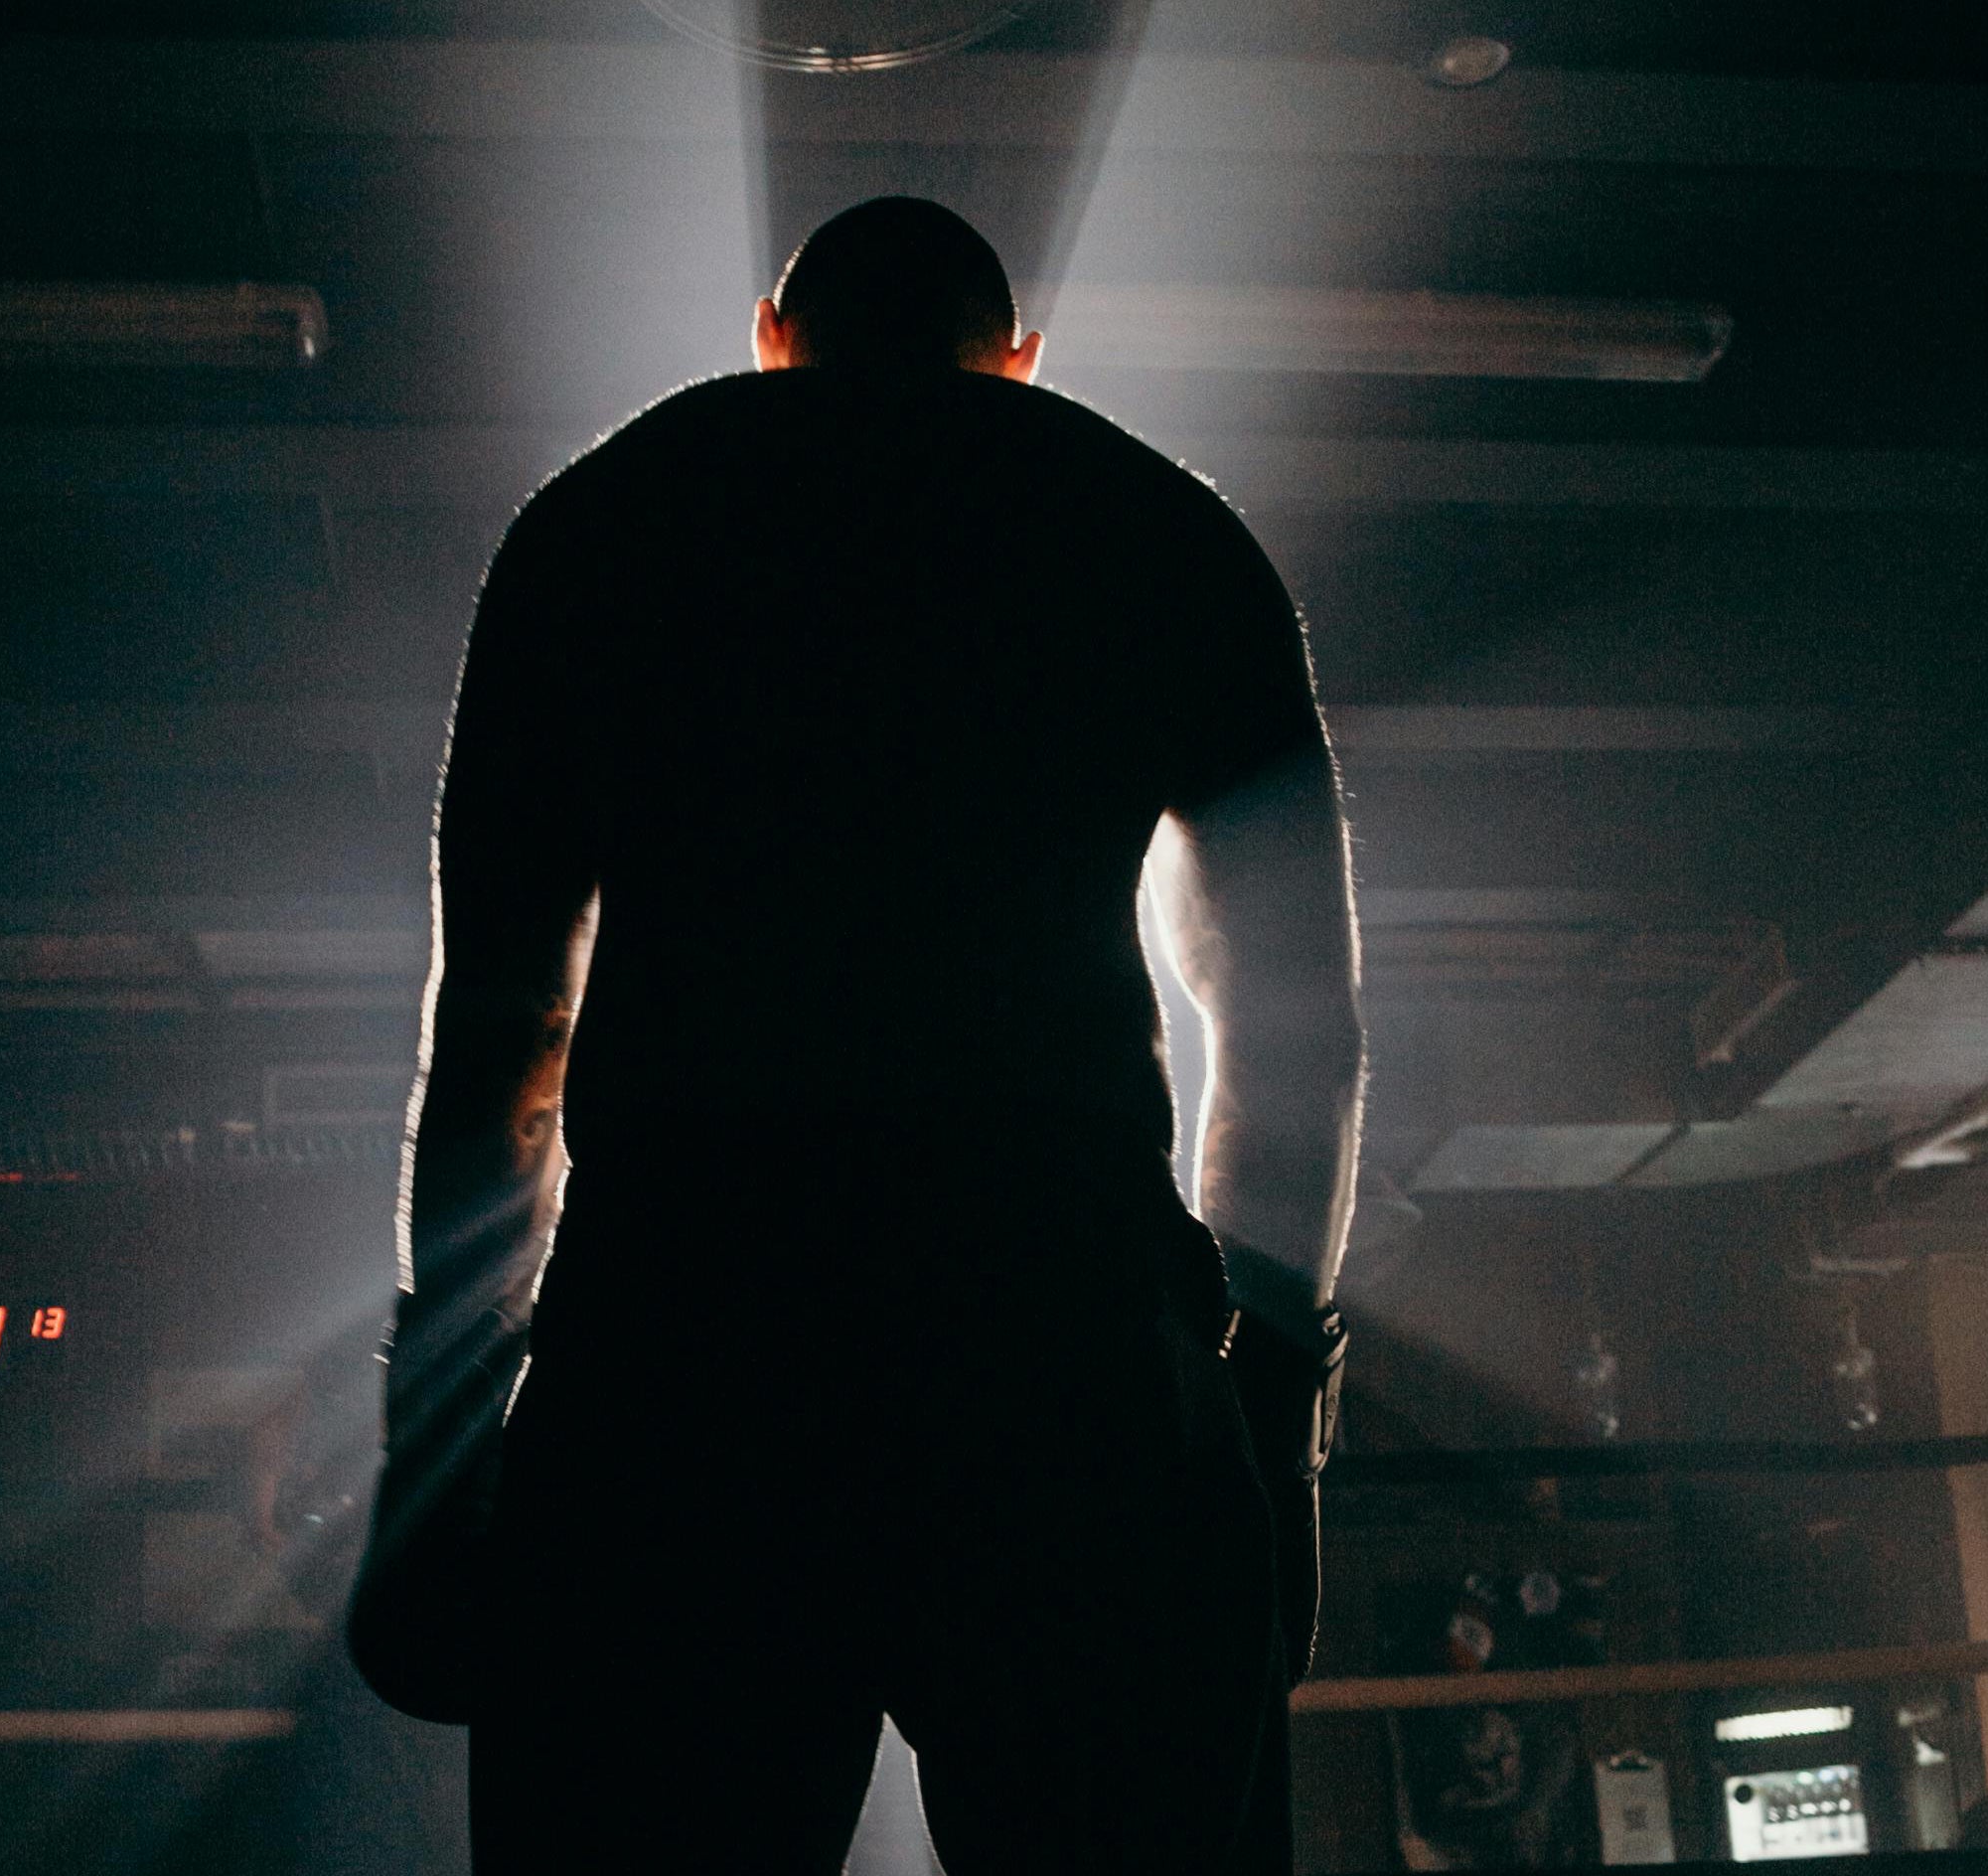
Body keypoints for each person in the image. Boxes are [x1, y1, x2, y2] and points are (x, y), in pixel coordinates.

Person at [388, 196, 1362, 1873]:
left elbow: (506, 1017)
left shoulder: (604, 519)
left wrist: (439, 1424)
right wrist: (1271, 1412)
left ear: (773, 337)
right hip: (1066, 1351)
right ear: (1019, 359)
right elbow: (1293, 1031)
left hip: (684, 1357)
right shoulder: (1162, 530)